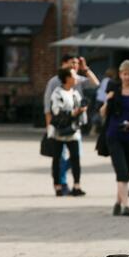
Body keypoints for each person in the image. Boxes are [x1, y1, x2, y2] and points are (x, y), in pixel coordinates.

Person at [43, 54, 99, 195]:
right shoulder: (54, 83)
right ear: (64, 64)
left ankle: (71, 183)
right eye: (72, 62)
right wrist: (49, 126)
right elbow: (48, 107)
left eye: (76, 63)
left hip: (74, 128)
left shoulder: (77, 80)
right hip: (60, 127)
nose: (75, 65)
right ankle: (61, 183)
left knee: (75, 156)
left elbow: (95, 84)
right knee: (60, 157)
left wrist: (85, 68)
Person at [101, 60, 129, 216]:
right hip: (114, 135)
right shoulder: (114, 92)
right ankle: (126, 206)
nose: (127, 77)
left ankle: (117, 202)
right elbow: (103, 113)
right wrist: (108, 101)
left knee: (127, 171)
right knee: (122, 172)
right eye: (125, 74)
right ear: (120, 75)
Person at [49, 68, 88, 197]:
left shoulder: (75, 93)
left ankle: (77, 185)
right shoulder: (57, 93)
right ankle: (58, 186)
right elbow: (56, 111)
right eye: (73, 75)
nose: (76, 77)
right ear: (67, 78)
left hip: (73, 131)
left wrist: (82, 110)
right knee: (57, 158)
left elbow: (80, 109)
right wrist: (74, 113)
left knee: (75, 158)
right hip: (59, 131)